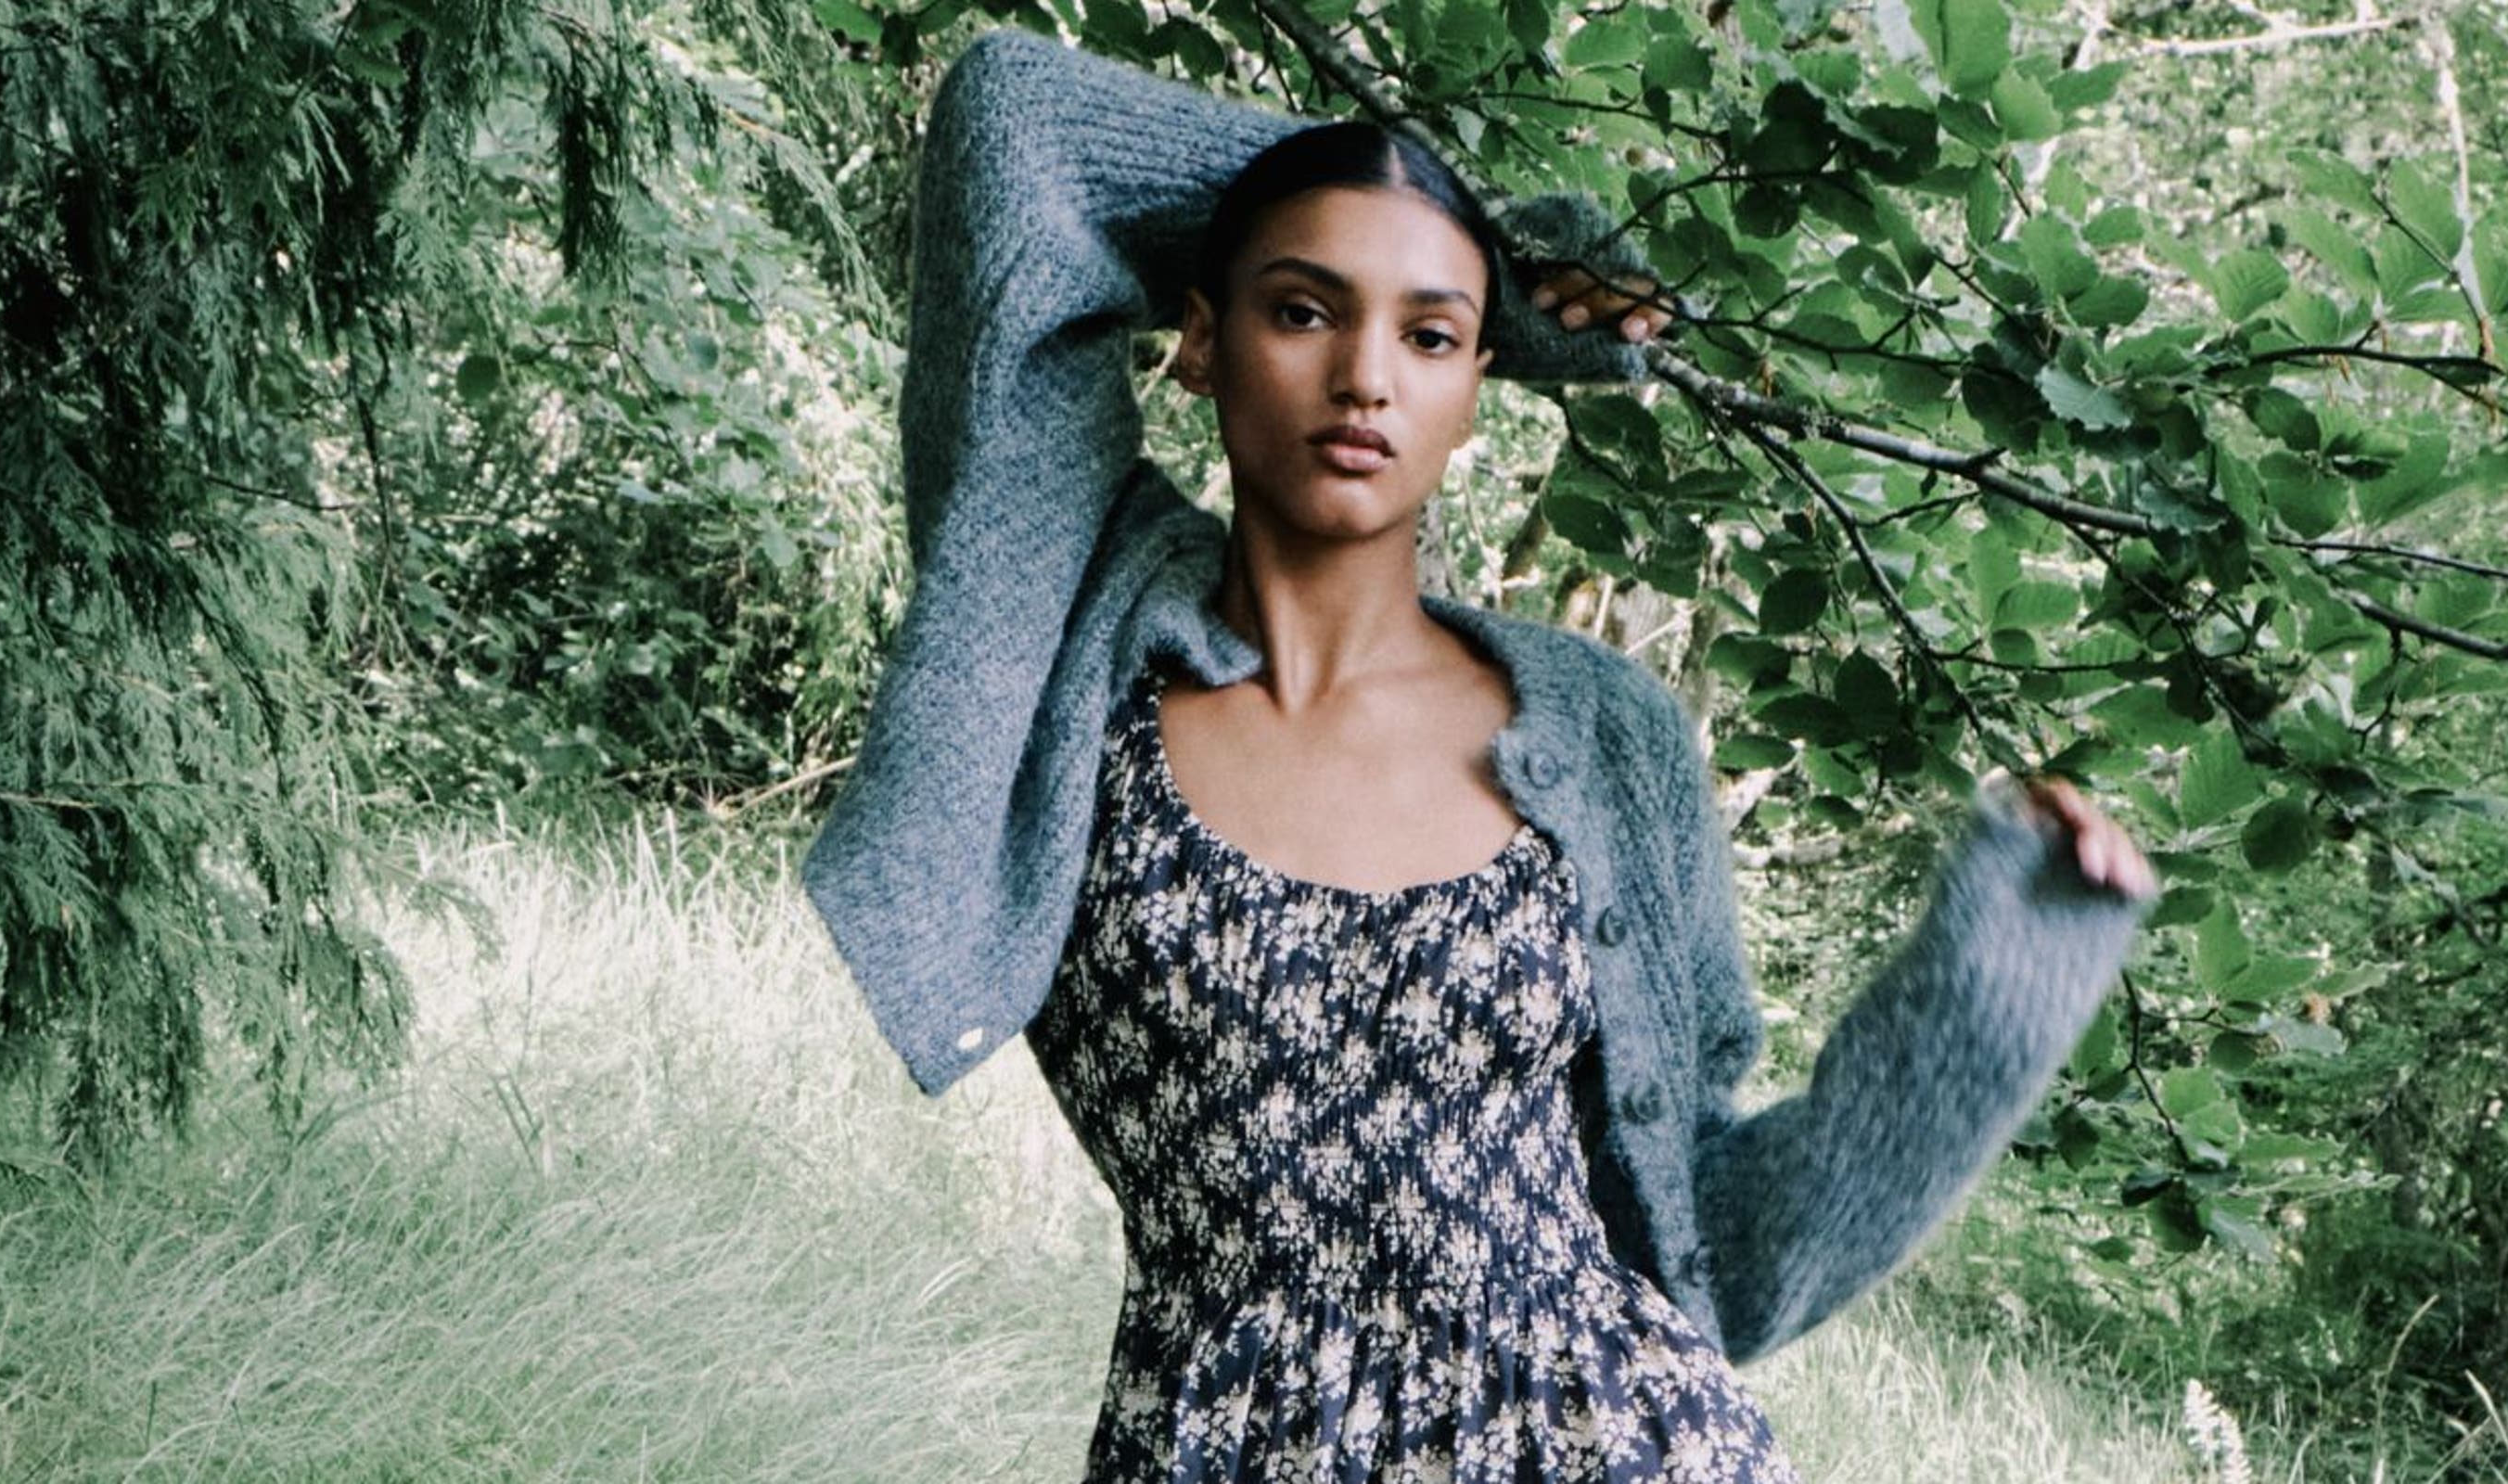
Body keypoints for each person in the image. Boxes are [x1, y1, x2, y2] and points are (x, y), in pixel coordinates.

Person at [801, 27, 2159, 1482]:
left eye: (1433, 332)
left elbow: (1714, 1252)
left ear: (1477, 382)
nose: (1366, 377)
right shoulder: (1064, 618)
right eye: (1305, 310)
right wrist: (1486, 239)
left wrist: (1986, 1003)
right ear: (1199, 340)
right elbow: (1018, 125)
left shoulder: (1603, 734)